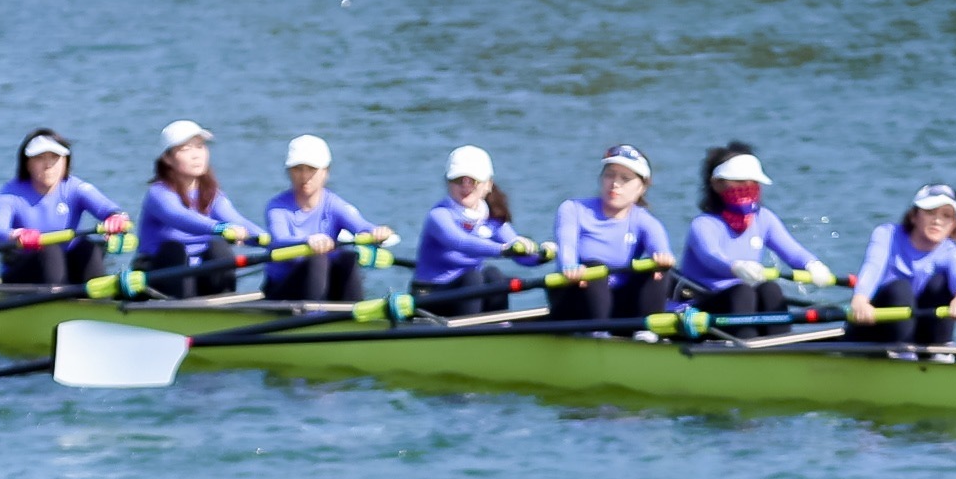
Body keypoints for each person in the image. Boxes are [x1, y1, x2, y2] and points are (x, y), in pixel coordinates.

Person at [677, 146, 831, 322]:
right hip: (700, 303)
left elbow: (792, 251)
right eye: (739, 181)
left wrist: (812, 264)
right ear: (716, 183)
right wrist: (735, 267)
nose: (747, 187)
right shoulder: (703, 224)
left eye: (753, 181)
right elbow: (711, 257)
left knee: (770, 290)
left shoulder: (764, 219)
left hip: (740, 303)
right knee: (742, 293)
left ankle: (777, 342)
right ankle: (746, 342)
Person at [547, 144, 676, 326]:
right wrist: (570, 267)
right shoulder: (573, 209)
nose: (615, 184)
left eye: (625, 179)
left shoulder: (645, 221)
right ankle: (597, 334)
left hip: (619, 303)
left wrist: (663, 261)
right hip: (576, 297)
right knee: (594, 267)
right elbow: (566, 249)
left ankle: (646, 332)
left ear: (642, 188)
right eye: (609, 175)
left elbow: (662, 250)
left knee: (657, 272)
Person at [263, 136, 395, 306]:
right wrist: (308, 241)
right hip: (281, 290)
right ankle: (313, 320)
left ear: (326, 171)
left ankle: (354, 315)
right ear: (289, 171)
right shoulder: (277, 207)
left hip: (322, 286)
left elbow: (361, 227)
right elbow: (279, 240)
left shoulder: (333, 204)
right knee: (317, 259)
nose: (304, 176)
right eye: (297, 169)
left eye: (311, 169)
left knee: (348, 257)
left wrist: (377, 232)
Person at [0, 129, 131, 286]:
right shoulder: (10, 193)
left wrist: (115, 217)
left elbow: (107, 208)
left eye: (55, 157)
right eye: (39, 158)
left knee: (88, 248)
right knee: (50, 250)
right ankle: (58, 304)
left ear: (65, 161)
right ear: (27, 163)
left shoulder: (75, 188)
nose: (48, 165)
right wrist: (17, 234)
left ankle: (101, 302)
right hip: (22, 272)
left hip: (64, 267)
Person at [137, 120, 263, 299]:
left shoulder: (212, 194)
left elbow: (238, 221)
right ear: (167, 158)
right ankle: (185, 312)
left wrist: (274, 242)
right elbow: (180, 217)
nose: (196, 155)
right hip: (159, 276)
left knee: (218, 247)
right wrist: (221, 229)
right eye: (186, 149)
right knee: (174, 249)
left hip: (199, 274)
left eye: (200, 146)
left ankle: (225, 303)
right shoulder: (158, 193)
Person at [413, 145, 544, 315]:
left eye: (472, 181)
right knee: (473, 277)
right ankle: (469, 333)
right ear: (448, 183)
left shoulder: (491, 219)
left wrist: (543, 255)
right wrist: (503, 250)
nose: (465, 186)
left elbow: (522, 257)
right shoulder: (439, 216)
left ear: (488, 185)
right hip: (429, 295)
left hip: (463, 293)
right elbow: (461, 242)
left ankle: (499, 327)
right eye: (458, 180)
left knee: (493, 274)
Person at [848, 181, 956, 353]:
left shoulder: (953, 255)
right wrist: (860, 299)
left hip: (918, 336)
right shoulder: (887, 235)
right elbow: (873, 266)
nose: (937, 221)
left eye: (946, 216)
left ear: (953, 224)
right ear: (914, 216)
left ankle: (939, 353)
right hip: (872, 329)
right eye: (930, 212)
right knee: (900, 288)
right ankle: (903, 357)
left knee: (940, 284)